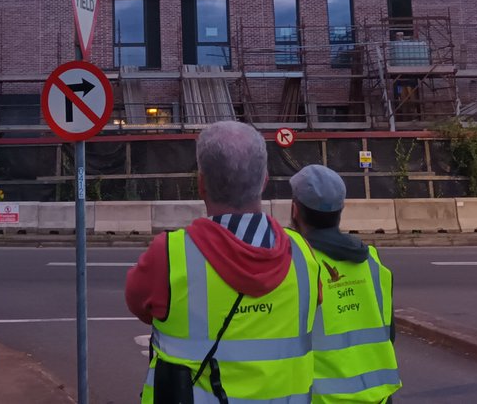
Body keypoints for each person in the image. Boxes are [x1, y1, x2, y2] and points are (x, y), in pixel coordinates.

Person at [126, 120, 319, 404]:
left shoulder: (168, 254)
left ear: (201, 184)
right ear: (264, 180)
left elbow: (141, 307)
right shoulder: (303, 253)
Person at [289, 164, 401, 404]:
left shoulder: (296, 266)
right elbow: (388, 333)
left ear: (295, 210)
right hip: (376, 398)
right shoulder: (372, 262)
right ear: (341, 210)